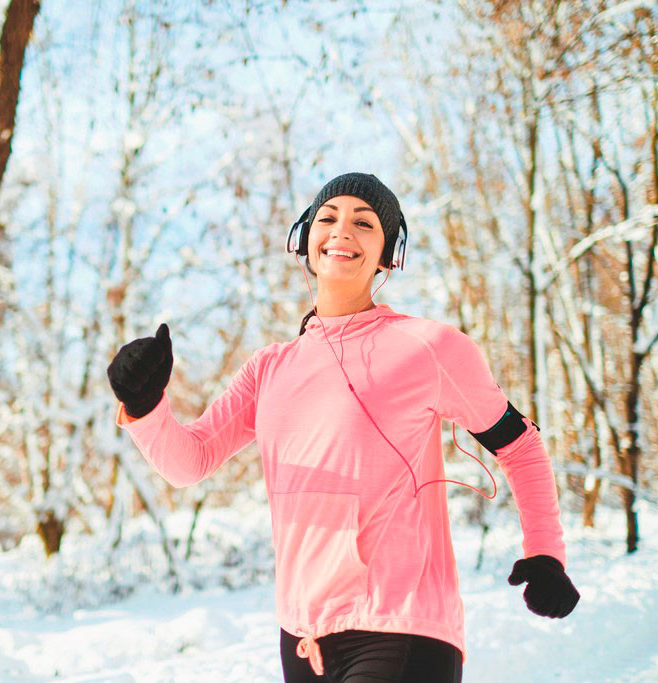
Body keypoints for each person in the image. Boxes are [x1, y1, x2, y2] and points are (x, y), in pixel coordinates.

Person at [107, 172, 579, 682]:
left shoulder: (429, 347)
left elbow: (520, 446)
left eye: (364, 223)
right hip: (303, 636)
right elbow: (189, 462)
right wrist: (145, 403)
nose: (342, 231)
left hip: (402, 623)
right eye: (328, 218)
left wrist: (546, 553)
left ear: (388, 254)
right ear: (304, 239)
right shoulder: (269, 368)